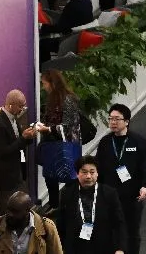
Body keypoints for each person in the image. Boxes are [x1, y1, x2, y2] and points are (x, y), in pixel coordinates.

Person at [94, 104, 146, 254]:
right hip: (109, 197)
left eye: (117, 119)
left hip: (132, 196)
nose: (113, 122)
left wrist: (145, 186)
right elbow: (98, 169)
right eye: (110, 119)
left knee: (132, 232)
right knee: (111, 231)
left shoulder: (138, 142)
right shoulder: (105, 142)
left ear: (126, 121)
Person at [55, 156, 127, 254]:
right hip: (75, 247)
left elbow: (119, 223)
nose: (88, 176)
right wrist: (59, 248)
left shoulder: (109, 193)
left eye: (92, 172)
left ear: (97, 173)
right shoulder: (67, 194)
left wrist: (120, 248)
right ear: (77, 174)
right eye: (84, 172)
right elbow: (61, 223)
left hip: (103, 246)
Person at [0, 92, 38, 219]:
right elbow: (2, 152)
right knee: (5, 211)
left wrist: (28, 138)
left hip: (15, 173)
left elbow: (17, 143)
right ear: (10, 105)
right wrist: (23, 138)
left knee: (19, 208)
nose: (22, 109)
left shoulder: (12, 118)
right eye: (20, 106)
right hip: (4, 177)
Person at [37, 70, 85, 203]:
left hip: (67, 145)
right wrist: (41, 126)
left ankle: (72, 205)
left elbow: (69, 125)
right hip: (51, 144)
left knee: (70, 175)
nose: (43, 87)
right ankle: (54, 204)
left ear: (52, 83)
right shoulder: (51, 99)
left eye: (44, 83)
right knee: (50, 176)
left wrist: (48, 129)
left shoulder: (68, 99)